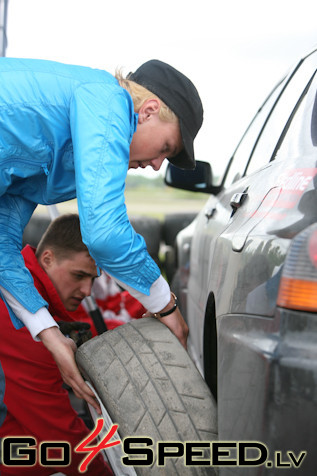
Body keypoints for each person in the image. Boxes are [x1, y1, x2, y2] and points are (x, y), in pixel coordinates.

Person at [0, 57, 203, 415]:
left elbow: (1, 242)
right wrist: (166, 305)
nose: (158, 166)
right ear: (149, 111)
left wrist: (50, 334)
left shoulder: (56, 155)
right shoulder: (107, 99)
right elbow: (105, 233)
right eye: (167, 149)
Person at [0, 214, 111, 475]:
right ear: (47, 259)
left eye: (93, 279)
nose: (87, 290)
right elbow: (58, 433)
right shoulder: (23, 322)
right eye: (79, 275)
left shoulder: (29, 288)